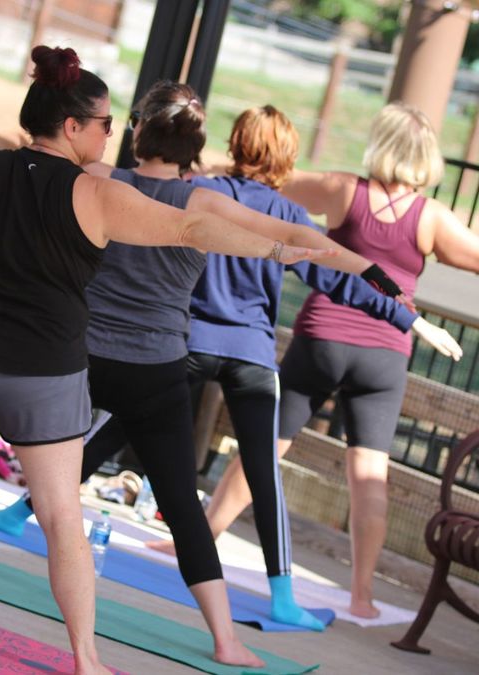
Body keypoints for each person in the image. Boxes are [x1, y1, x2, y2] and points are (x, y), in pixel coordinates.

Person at [0, 83, 450, 640]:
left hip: (75, 356)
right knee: (176, 497)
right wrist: (366, 270)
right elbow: (284, 231)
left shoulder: (100, 178)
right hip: (148, 368)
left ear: (136, 134)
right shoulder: (187, 197)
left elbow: (30, 147)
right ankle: (225, 638)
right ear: (193, 147)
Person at [192, 101, 479, 619]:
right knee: (369, 476)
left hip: (322, 340)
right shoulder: (432, 217)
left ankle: (195, 542)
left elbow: (266, 181)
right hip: (385, 354)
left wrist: (209, 170)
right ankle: (363, 595)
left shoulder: (343, 190)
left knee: (263, 448)